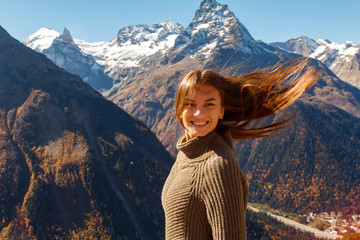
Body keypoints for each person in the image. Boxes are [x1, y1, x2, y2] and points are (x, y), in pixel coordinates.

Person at [161, 58, 319, 239]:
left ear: (221, 111)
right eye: (190, 104)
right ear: (180, 109)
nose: (199, 113)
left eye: (209, 104)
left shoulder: (217, 167)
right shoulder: (187, 152)